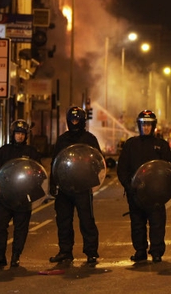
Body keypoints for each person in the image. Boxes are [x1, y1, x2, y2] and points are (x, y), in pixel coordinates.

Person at [117, 110, 171, 263]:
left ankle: (156, 252)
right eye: (143, 124)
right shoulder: (131, 145)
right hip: (135, 192)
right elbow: (122, 168)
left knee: (157, 223)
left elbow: (170, 169)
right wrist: (129, 186)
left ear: (153, 126)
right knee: (137, 224)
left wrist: (163, 188)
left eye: (148, 124)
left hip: (155, 193)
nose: (146, 127)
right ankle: (140, 251)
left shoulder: (161, 145)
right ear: (139, 125)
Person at [0, 120, 42, 267]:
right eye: (17, 133)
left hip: (23, 198)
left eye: (22, 134)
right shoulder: (4, 151)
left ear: (26, 135)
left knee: (21, 228)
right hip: (5, 196)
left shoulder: (32, 152)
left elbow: (38, 175)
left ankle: (16, 255)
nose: (20, 137)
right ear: (13, 134)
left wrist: (36, 195)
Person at [49, 106, 102, 264]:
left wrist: (93, 181)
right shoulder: (62, 139)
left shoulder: (90, 139)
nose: (74, 123)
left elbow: (97, 161)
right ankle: (65, 252)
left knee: (87, 220)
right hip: (64, 187)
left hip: (83, 187)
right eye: (72, 120)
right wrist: (53, 184)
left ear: (83, 121)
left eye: (77, 120)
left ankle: (91, 252)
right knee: (63, 221)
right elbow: (55, 163)